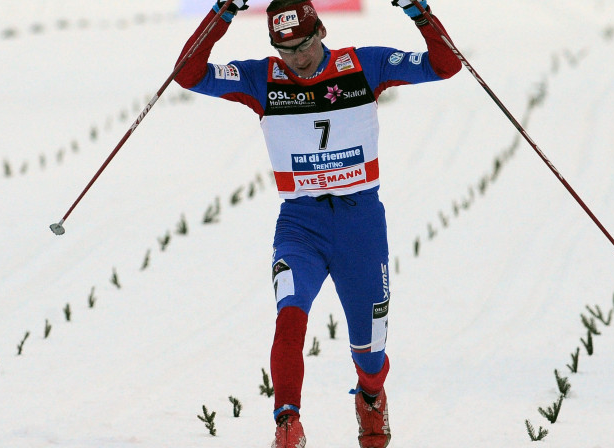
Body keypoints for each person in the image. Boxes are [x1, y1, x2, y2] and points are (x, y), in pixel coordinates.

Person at [174, 0, 460, 446]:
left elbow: (446, 66)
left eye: (304, 45)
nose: (298, 59)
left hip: (360, 222)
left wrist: (418, 12)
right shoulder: (262, 78)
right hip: (300, 223)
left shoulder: (364, 65)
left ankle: (371, 396)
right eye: (285, 50)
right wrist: (223, 13)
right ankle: (288, 424)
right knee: (289, 318)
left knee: (369, 352)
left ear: (321, 31)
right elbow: (188, 74)